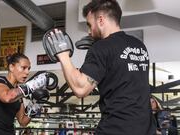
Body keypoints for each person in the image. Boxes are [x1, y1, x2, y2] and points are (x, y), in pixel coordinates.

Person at [45, 0, 156, 134]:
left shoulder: (101, 48)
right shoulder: (139, 46)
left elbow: (80, 88)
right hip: (146, 129)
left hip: (117, 129)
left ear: (101, 20)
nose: (89, 31)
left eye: (89, 25)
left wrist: (62, 55)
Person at [0, 53, 49, 135]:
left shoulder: (19, 96)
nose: (27, 72)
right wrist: (34, 84)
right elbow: (7, 97)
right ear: (11, 67)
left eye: (28, 69)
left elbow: (23, 122)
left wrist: (35, 106)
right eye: (23, 68)